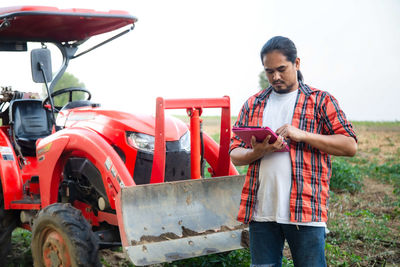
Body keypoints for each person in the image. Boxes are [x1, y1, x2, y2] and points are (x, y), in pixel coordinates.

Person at [230, 36, 357, 267]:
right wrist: (257, 152)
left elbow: (349, 145)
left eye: (281, 69)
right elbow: (234, 153)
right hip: (261, 211)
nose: (275, 77)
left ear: (296, 63)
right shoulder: (253, 104)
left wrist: (303, 134)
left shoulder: (320, 101)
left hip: (305, 210)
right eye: (269, 71)